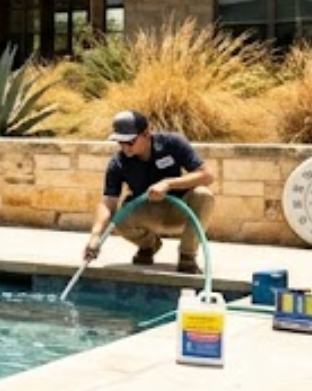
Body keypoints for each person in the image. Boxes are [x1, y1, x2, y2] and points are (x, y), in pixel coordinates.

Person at [82, 109, 216, 275]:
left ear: (146, 134)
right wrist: (95, 237)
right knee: (119, 217)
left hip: (180, 210)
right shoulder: (118, 163)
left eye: (130, 142)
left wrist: (168, 183)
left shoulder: (172, 143)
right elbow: (108, 201)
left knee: (204, 195)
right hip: (148, 212)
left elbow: (207, 175)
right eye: (120, 142)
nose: (125, 148)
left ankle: (187, 256)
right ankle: (149, 246)